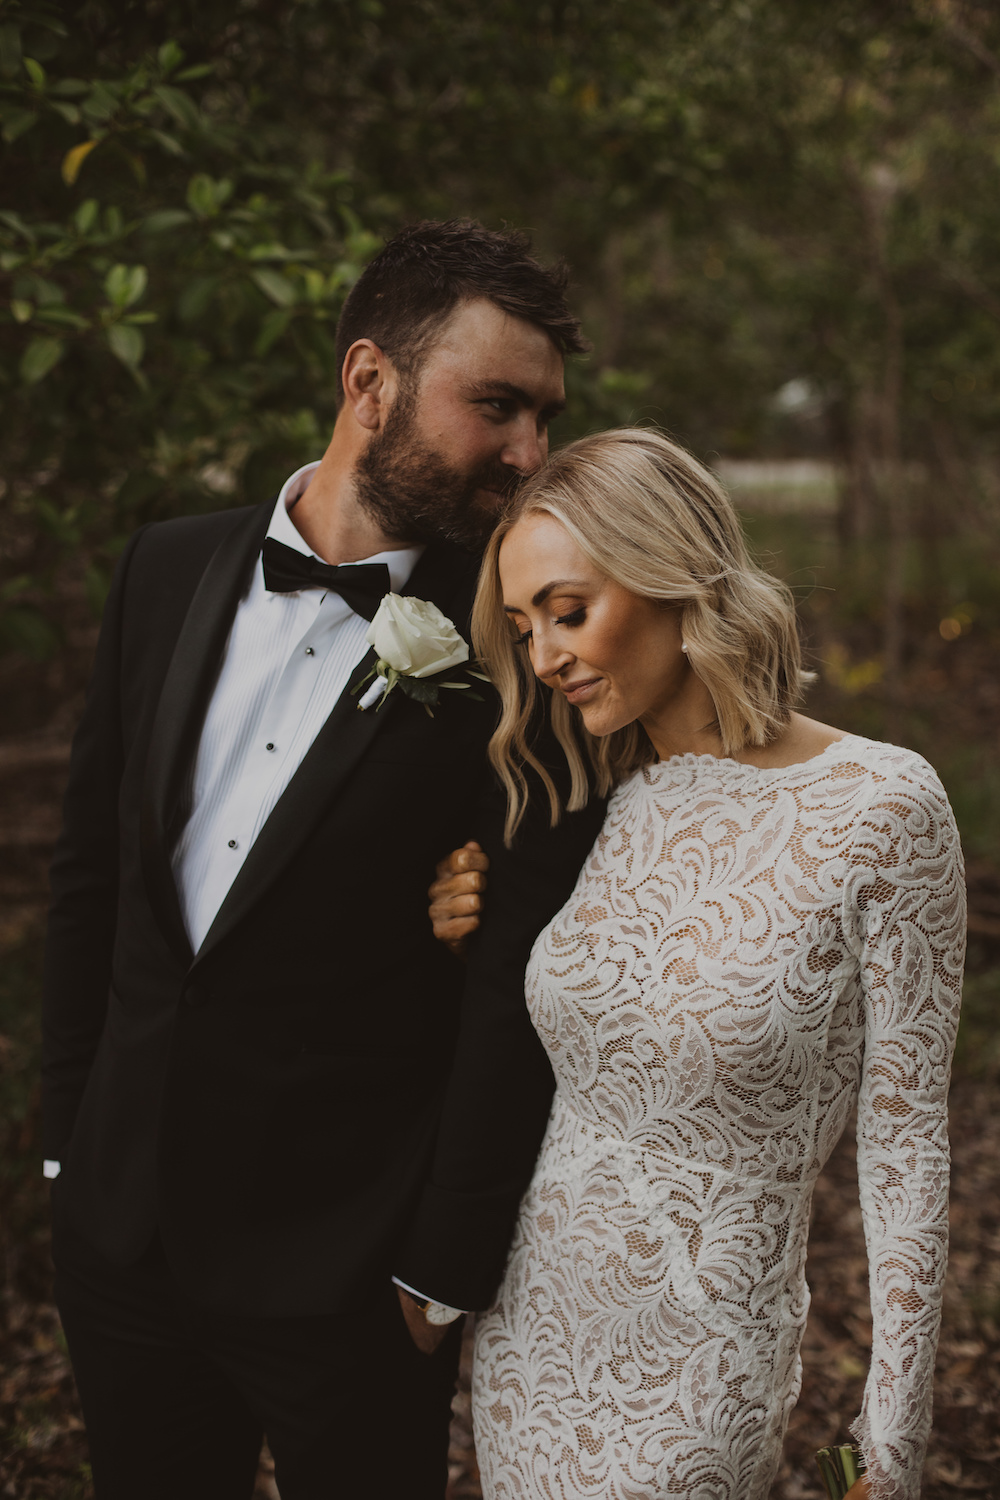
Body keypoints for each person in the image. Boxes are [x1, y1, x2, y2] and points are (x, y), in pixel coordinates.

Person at [41, 220, 606, 1500]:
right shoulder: (166, 566)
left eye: (544, 417)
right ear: (369, 384)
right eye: (498, 407)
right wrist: (67, 1152)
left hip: (348, 1275)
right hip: (120, 1241)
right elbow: (93, 880)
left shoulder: (521, 643)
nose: (528, 453)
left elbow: (515, 972)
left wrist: (437, 1267)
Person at [429, 427, 966, 1500]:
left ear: (669, 573)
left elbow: (904, 1159)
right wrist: (458, 927)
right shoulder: (591, 801)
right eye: (525, 628)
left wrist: (887, 1449)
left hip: (704, 1351)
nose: (543, 659)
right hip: (530, 1327)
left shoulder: (883, 808)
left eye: (567, 613)